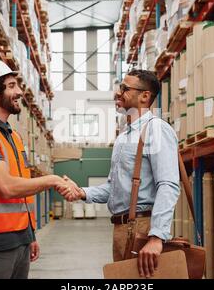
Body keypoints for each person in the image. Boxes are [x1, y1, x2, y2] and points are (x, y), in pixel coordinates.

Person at [0, 59, 75, 279]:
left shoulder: (13, 136)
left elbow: (22, 192)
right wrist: (52, 179)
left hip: (19, 240)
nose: (20, 92)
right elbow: (6, 187)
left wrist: (29, 235)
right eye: (12, 86)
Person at [64, 70, 180, 278]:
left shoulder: (156, 130)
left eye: (125, 89)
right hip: (121, 229)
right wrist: (82, 192)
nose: (118, 93)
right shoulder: (123, 137)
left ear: (145, 96)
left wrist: (156, 237)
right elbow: (114, 187)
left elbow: (168, 184)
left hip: (142, 228)